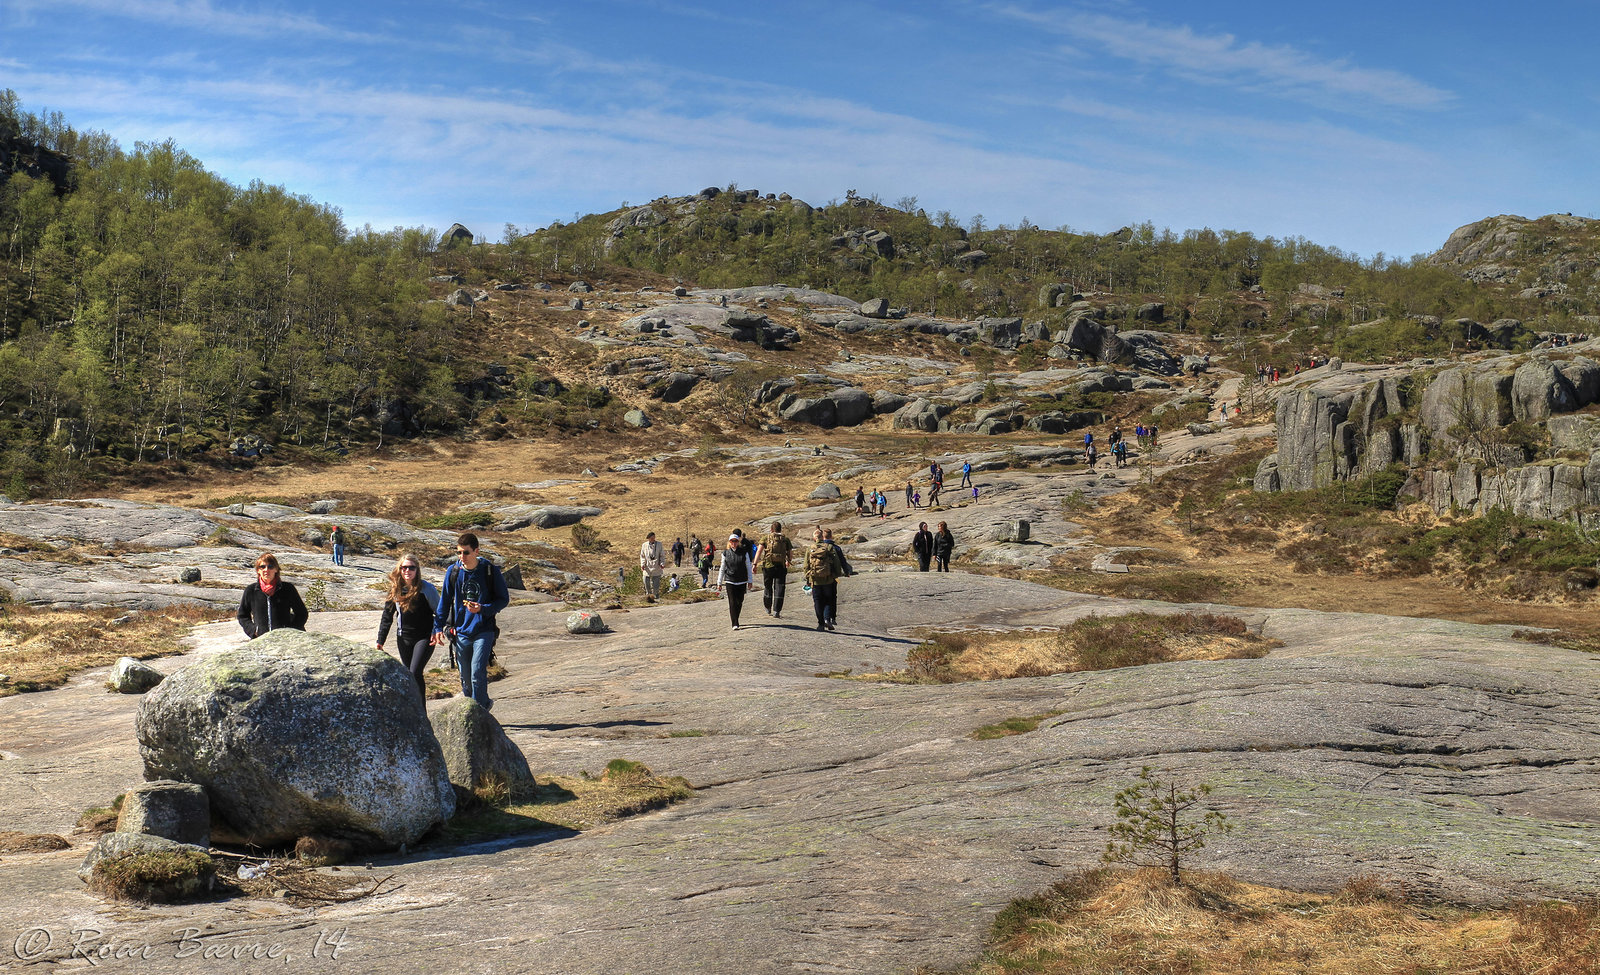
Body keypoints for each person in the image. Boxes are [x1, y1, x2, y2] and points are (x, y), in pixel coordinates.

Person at [432, 532, 510, 711]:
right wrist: (438, 628)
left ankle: (479, 712)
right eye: (458, 552)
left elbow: (503, 599)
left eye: (465, 552)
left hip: (484, 629)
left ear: (476, 551)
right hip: (461, 631)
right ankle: (475, 707)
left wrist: (482, 608)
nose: (462, 557)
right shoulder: (453, 572)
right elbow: (444, 602)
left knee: (477, 672)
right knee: (466, 679)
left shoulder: (489, 570)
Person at [376, 554, 440, 696]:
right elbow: (387, 616)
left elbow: (440, 613)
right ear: (399, 569)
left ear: (417, 570)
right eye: (404, 567)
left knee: (415, 672)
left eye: (411, 567)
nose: (407, 570)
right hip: (403, 638)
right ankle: (414, 713)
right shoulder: (396, 590)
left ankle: (422, 715)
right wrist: (380, 641)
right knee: (409, 676)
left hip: (424, 638)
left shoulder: (427, 589)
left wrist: (437, 630)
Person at [237, 552, 308, 638]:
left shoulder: (287, 589)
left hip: (285, 640)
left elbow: (302, 613)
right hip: (261, 640)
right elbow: (242, 615)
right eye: (262, 567)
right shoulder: (251, 590)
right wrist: (253, 630)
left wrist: (291, 631)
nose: (266, 569)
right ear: (258, 570)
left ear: (276, 570)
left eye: (270, 566)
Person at [805, 527, 844, 631]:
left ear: (814, 538)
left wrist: (807, 578)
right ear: (822, 537)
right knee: (827, 599)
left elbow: (806, 565)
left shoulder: (810, 549)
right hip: (828, 579)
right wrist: (836, 574)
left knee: (817, 601)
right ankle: (827, 619)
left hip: (815, 579)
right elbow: (836, 563)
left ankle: (820, 624)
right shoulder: (830, 547)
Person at [716, 532, 756, 630]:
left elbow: (748, 566)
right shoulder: (725, 553)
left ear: (738, 542)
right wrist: (719, 582)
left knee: (740, 601)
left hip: (742, 580)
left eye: (735, 541)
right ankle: (735, 623)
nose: (734, 543)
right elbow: (722, 568)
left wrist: (750, 581)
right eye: (732, 541)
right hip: (730, 580)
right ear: (729, 542)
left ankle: (736, 617)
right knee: (732, 602)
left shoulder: (744, 552)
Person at [754, 521, 794, 619]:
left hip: (768, 566)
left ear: (771, 529)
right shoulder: (785, 539)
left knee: (768, 587)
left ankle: (768, 607)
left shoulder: (766, 538)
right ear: (780, 529)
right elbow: (790, 553)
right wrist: (788, 561)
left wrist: (754, 564)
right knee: (779, 588)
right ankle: (777, 610)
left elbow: (759, 551)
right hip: (781, 566)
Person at [639, 532, 666, 602]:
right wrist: (642, 564)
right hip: (647, 566)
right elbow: (642, 556)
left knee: (656, 583)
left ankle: (656, 596)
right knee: (645, 580)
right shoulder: (644, 545)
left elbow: (662, 555)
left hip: (656, 566)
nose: (653, 539)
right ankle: (648, 595)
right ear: (648, 538)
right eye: (651, 538)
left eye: (654, 538)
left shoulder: (659, 544)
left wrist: (662, 563)